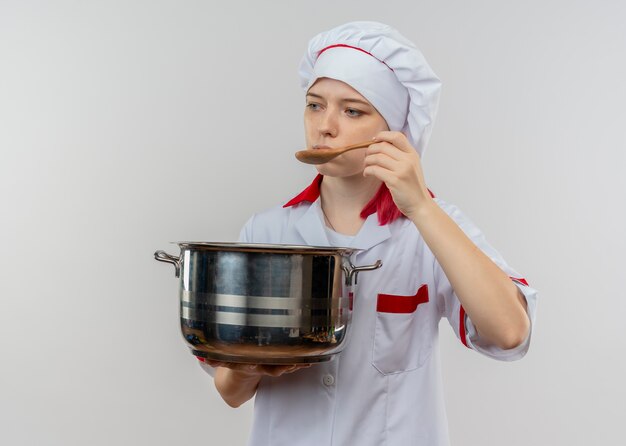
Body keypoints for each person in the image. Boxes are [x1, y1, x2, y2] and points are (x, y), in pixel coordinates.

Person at [198, 21, 538, 445]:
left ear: (392, 131)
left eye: (352, 110)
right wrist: (249, 366)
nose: (325, 127)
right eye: (315, 105)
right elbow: (230, 392)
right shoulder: (267, 230)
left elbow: (509, 333)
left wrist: (419, 206)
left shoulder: (432, 227)